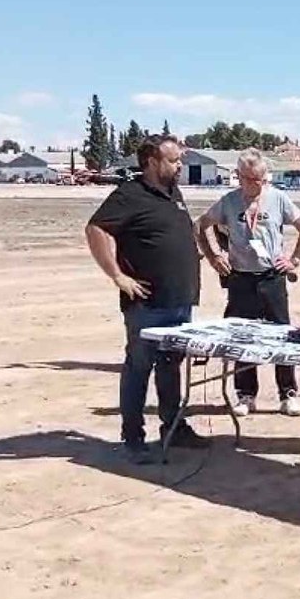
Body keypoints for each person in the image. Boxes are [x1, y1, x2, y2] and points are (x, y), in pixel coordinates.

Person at [85, 134, 208, 464]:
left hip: (179, 300)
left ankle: (174, 427)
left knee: (171, 367)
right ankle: (133, 437)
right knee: (139, 367)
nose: (180, 165)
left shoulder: (172, 192)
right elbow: (96, 229)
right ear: (152, 162)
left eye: (180, 159)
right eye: (173, 160)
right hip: (147, 304)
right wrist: (117, 275)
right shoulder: (130, 194)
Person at [196, 148, 300, 418]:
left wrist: (294, 260)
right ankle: (246, 395)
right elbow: (200, 226)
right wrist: (214, 256)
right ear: (238, 176)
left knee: (282, 336)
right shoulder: (228, 201)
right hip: (240, 279)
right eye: (248, 179)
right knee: (242, 338)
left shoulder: (278, 199)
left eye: (259, 179)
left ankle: (288, 393)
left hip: (271, 278)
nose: (254, 184)